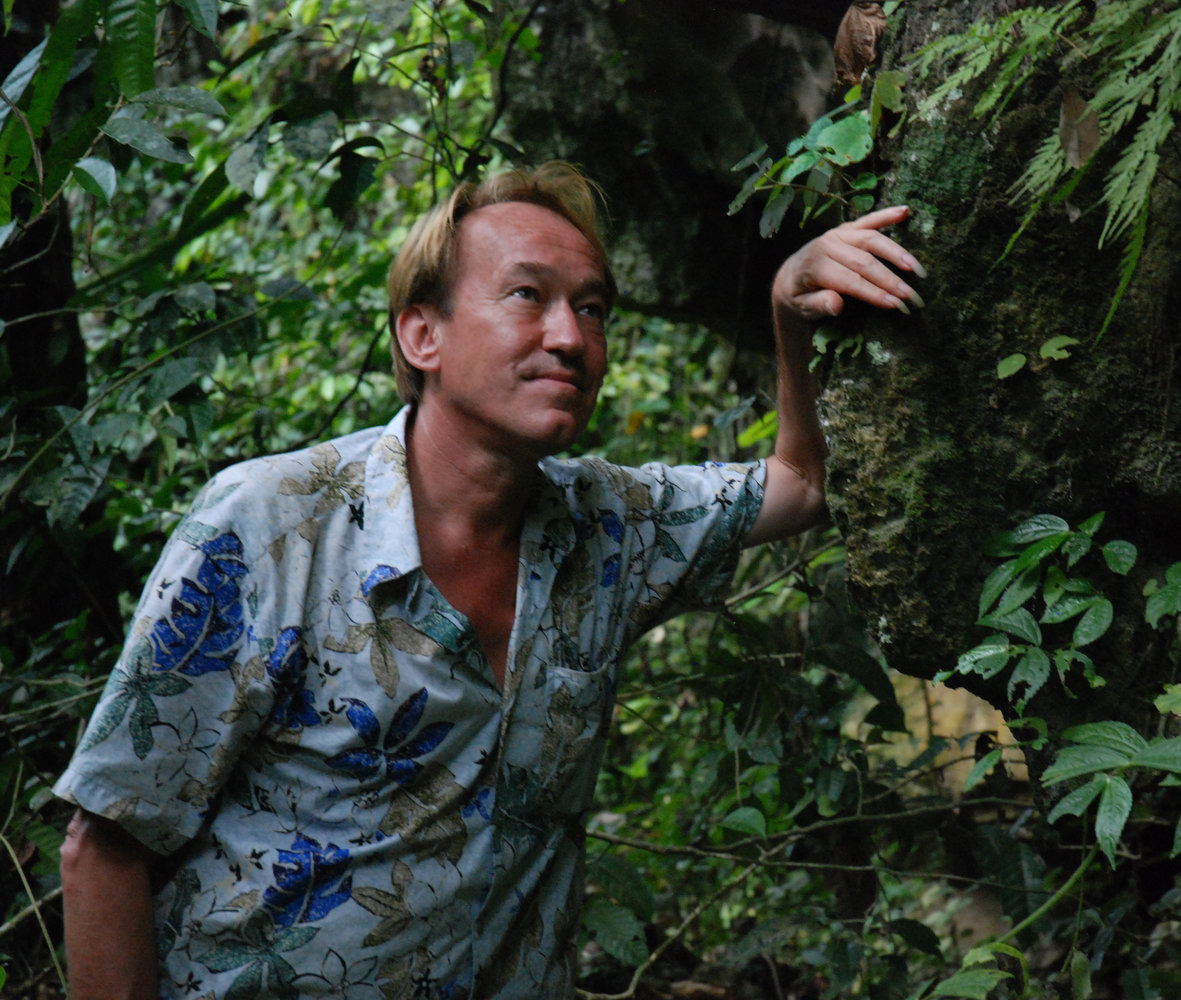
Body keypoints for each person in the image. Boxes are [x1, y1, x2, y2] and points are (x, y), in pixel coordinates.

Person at [56, 162, 924, 999]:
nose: (570, 337)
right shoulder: (275, 520)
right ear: (420, 333)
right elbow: (108, 840)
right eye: (527, 296)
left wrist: (790, 304)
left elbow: (799, 487)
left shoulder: (607, 526)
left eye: (592, 309)